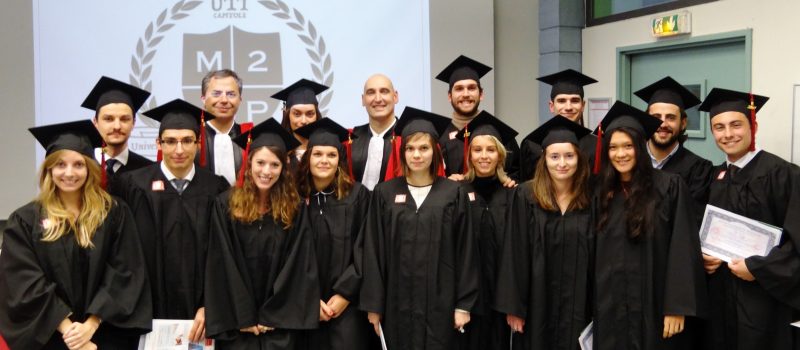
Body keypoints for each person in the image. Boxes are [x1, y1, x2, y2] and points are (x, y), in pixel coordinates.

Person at [0, 120, 151, 349]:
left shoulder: (113, 213)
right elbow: (26, 282)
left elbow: (124, 271)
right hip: (52, 337)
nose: (69, 173)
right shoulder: (25, 220)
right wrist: (70, 332)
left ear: (89, 168)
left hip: (105, 334)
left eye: (78, 165)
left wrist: (90, 326)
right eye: (60, 165)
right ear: (49, 169)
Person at [110, 99, 230, 343]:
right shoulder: (132, 185)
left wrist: (212, 305)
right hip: (145, 310)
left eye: (187, 141)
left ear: (198, 144)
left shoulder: (216, 188)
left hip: (201, 314)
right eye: (170, 141)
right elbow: (121, 253)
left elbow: (224, 255)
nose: (179, 149)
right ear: (158, 143)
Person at [360, 107, 479, 350]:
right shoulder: (385, 193)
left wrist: (463, 305)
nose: (417, 155)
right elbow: (373, 251)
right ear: (402, 152)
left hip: (441, 303)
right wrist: (374, 305)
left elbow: (466, 250)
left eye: (423, 148)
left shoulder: (453, 193)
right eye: (410, 149)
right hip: (396, 304)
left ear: (434, 151)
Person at [592, 101, 708, 350]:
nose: (620, 154)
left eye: (628, 146)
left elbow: (683, 248)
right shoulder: (600, 192)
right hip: (610, 305)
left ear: (640, 147)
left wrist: (677, 307)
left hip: (655, 305)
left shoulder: (669, 186)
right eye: (613, 147)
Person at [698, 88, 800, 350]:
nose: (728, 134)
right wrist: (703, 256)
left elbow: (796, 243)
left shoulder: (782, 174)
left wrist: (758, 268)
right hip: (719, 298)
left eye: (736, 125)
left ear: (753, 125)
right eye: (719, 127)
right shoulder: (715, 176)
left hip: (764, 302)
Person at [204, 118, 319, 349]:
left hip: (278, 327)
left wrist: (273, 314)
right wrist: (242, 316)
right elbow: (221, 261)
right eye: (260, 163)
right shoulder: (225, 205)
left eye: (274, 165)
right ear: (249, 163)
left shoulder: (293, 207)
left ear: (284, 167)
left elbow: (298, 264)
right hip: (238, 326)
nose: (266, 171)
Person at [496, 116, 593, 350]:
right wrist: (514, 307)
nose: (562, 163)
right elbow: (514, 251)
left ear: (579, 159)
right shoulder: (526, 195)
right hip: (536, 302)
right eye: (554, 156)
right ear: (544, 160)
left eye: (569, 156)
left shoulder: (592, 197)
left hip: (580, 302)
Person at [293, 118, 377, 350]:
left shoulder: (358, 196)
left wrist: (345, 294)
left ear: (340, 160)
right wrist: (309, 299)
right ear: (307, 158)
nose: (324, 160)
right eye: (317, 154)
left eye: (331, 155)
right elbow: (287, 255)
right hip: (303, 304)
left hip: (348, 305)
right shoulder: (293, 198)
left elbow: (367, 247)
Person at [452, 112, 518, 350]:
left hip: (502, 297)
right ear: (469, 154)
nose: (483, 156)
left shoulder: (514, 194)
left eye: (490, 150)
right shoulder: (455, 192)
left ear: (500, 154)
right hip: (468, 299)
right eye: (477, 150)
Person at [634, 76, 713, 224]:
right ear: (646, 120)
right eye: (656, 116)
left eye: (670, 117)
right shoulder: (631, 161)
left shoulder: (699, 170)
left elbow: (692, 221)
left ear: (683, 123)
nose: (663, 124)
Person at [434, 55, 520, 180]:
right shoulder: (439, 137)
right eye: (459, 89)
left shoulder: (499, 133)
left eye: (471, 88)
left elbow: (517, 173)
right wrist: (445, 184)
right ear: (449, 96)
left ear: (481, 94)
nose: (466, 94)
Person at [519, 69, 598, 181]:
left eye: (575, 100)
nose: (568, 107)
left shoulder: (597, 145)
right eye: (561, 101)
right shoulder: (532, 144)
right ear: (551, 106)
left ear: (583, 105)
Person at [82, 76, 153, 183]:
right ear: (95, 122)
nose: (117, 126)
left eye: (124, 119)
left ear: (133, 123)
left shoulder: (148, 170)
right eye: (108, 119)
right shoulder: (81, 165)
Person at [351, 74, 399, 190]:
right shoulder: (350, 139)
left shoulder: (409, 139)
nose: (378, 99)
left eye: (384, 91)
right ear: (363, 100)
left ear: (395, 97)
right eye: (371, 92)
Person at [200, 69, 247, 185]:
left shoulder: (249, 136)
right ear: (203, 99)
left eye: (231, 94)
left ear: (240, 100)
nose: (224, 100)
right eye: (216, 93)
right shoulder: (192, 138)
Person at [273, 79, 329, 174]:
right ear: (288, 116)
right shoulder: (278, 150)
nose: (304, 121)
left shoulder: (329, 148)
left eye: (310, 114)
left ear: (317, 116)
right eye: (297, 114)